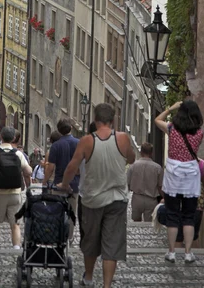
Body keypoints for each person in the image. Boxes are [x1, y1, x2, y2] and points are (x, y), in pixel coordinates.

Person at [59, 103, 135, 288]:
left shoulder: (87, 140)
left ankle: (89, 278)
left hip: (92, 199)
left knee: (91, 241)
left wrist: (65, 184)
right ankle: (106, 285)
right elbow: (131, 159)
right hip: (117, 199)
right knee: (112, 245)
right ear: (113, 120)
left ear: (95, 120)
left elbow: (72, 167)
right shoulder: (123, 138)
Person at [155, 100, 204, 264]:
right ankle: (188, 253)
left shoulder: (172, 129)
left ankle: (172, 252)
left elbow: (157, 120)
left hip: (173, 177)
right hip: (190, 177)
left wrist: (171, 107)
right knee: (189, 216)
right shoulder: (199, 134)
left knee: (173, 215)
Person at [0, 126, 32, 249]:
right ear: (14, 138)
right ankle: (16, 248)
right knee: (15, 224)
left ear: (1, 137)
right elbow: (28, 171)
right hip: (15, 193)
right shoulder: (18, 154)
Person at [155, 158, 204, 246]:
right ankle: (192, 257)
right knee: (193, 237)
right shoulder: (201, 164)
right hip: (197, 205)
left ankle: (178, 258)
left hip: (178, 205)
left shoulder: (174, 164)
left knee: (178, 237)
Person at [43, 118, 79, 242]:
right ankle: (69, 237)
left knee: (56, 211)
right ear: (71, 128)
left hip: (58, 184)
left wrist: (44, 182)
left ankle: (57, 235)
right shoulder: (79, 143)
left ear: (59, 130)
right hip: (74, 184)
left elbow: (50, 168)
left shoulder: (56, 145)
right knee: (72, 212)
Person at [127, 142, 163, 222]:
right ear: (151, 153)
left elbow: (127, 184)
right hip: (151, 200)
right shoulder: (157, 168)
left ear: (141, 152)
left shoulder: (133, 166)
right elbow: (160, 186)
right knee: (149, 224)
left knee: (136, 222)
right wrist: (164, 197)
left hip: (137, 198)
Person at [77, 122, 97, 247]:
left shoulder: (83, 147)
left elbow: (74, 169)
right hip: (102, 192)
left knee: (84, 219)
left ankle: (85, 241)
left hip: (84, 192)